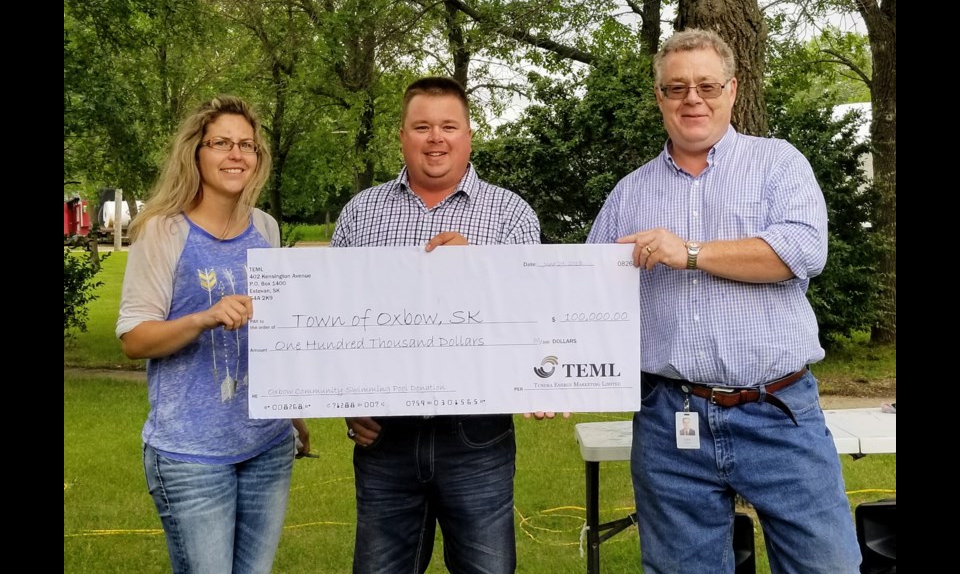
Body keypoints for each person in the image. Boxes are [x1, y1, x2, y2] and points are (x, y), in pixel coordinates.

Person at [587, 29, 862, 573]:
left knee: (827, 566)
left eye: (707, 85)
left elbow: (800, 252)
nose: (693, 99)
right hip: (671, 421)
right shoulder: (629, 193)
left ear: (733, 90)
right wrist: (540, 370)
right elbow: (583, 296)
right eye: (677, 88)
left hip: (779, 413)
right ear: (659, 97)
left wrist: (686, 252)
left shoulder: (778, 164)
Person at [331, 76, 541, 574]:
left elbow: (532, 316)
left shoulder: (511, 215)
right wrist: (346, 402)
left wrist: (482, 267)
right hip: (384, 436)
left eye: (448, 126)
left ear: (469, 135)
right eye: (421, 126)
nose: (435, 138)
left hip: (477, 436)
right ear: (401, 136)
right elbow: (334, 320)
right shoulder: (361, 214)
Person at [116, 95, 310, 574]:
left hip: (266, 445)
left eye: (247, 145)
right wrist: (203, 317)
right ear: (196, 153)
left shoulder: (264, 227)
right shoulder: (163, 230)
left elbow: (272, 333)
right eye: (221, 143)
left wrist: (291, 410)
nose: (236, 155)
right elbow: (134, 339)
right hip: (191, 454)